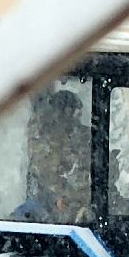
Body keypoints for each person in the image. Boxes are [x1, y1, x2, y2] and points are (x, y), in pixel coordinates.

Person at [14, 88, 91, 223]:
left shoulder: (86, 140)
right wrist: (58, 198)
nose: (75, 124)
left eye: (78, 116)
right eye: (72, 116)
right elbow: (46, 174)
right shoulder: (43, 145)